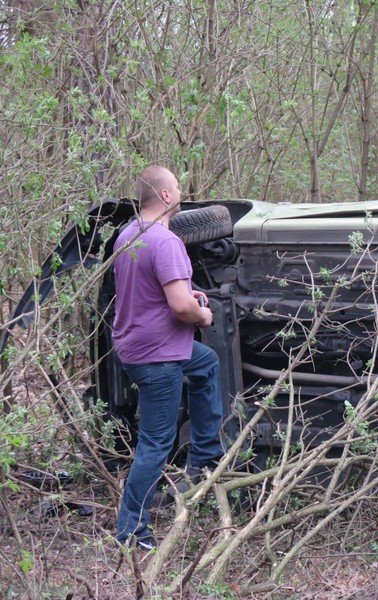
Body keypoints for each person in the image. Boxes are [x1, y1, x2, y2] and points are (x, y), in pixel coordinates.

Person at [112, 166, 224, 549]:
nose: (181, 191)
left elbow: (152, 291)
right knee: (155, 443)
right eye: (177, 186)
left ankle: (206, 455)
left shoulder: (127, 234)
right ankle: (131, 530)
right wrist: (202, 314)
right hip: (158, 357)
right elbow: (180, 307)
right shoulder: (165, 241)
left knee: (206, 362)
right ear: (164, 196)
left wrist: (190, 296)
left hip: (138, 346)